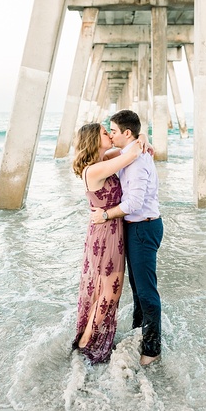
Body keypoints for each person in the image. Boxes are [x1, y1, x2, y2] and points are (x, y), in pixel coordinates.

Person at [90, 109, 164, 366]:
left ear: (126, 133)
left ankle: (152, 349)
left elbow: (133, 203)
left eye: (113, 130)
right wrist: (143, 137)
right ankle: (138, 332)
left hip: (143, 227)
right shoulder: (127, 153)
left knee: (146, 291)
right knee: (137, 288)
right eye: (108, 131)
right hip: (136, 228)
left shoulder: (136, 161)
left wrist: (105, 216)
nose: (111, 134)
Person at [71, 122, 143, 364]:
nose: (110, 135)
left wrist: (140, 137)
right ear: (93, 139)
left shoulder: (104, 160)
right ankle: (83, 343)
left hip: (111, 230)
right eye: (105, 132)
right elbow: (132, 152)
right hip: (105, 235)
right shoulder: (93, 170)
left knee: (106, 291)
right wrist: (137, 142)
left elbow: (135, 145)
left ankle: (88, 339)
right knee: (110, 292)